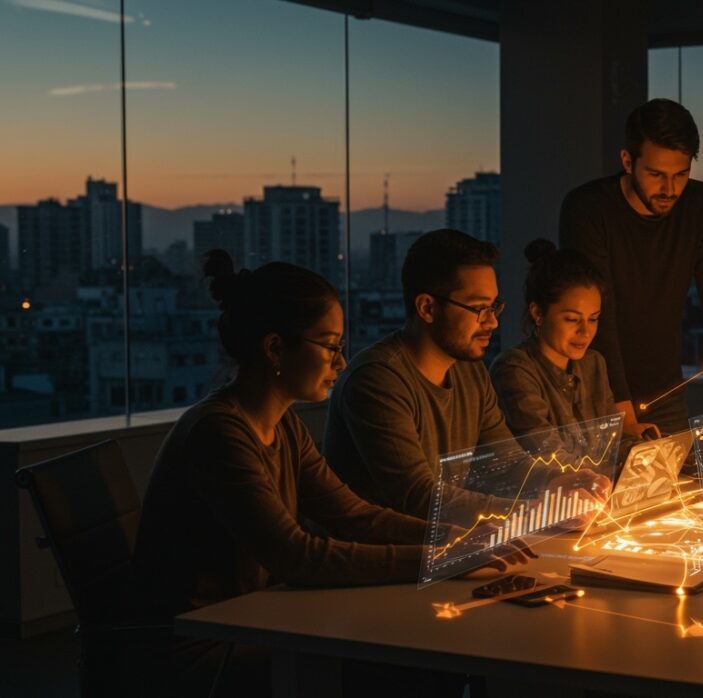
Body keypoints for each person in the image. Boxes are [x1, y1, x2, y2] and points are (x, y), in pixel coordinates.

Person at [132, 250, 528, 696]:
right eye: (331, 346)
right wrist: (442, 558)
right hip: (205, 646)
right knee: (400, 666)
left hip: (255, 619)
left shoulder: (282, 424)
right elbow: (297, 556)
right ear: (276, 348)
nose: (341, 362)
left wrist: (455, 538)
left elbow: (355, 515)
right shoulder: (219, 434)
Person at [324, 229, 608, 528]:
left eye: (494, 306)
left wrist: (560, 480)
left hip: (445, 551)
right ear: (427, 308)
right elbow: (418, 496)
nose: (492, 321)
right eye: (478, 308)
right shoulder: (377, 380)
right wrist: (538, 512)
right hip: (385, 562)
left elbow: (507, 462)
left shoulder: (469, 371)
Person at [560, 98, 703, 439]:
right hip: (592, 394)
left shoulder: (699, 204)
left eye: (681, 175)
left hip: (664, 390)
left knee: (678, 491)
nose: (669, 190)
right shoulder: (588, 209)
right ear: (627, 161)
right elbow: (598, 314)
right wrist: (624, 412)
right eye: (656, 175)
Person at [491, 239, 641, 459]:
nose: (586, 331)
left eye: (593, 319)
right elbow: (549, 456)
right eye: (572, 319)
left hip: (595, 488)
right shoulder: (515, 370)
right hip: (547, 491)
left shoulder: (594, 363)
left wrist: (641, 446)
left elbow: (611, 440)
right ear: (538, 313)